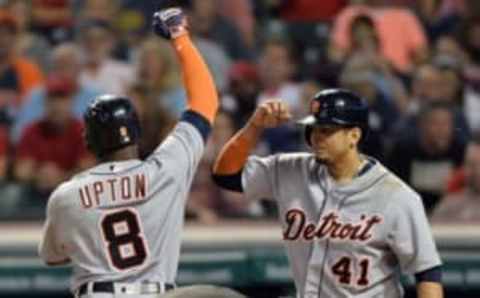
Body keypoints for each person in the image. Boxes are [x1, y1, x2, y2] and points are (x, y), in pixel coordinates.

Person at [38, 8, 220, 298]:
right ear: (136, 132)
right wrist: (180, 35)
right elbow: (205, 102)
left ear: (89, 142)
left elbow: (52, 257)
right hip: (156, 292)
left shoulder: (66, 195)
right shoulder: (166, 170)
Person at [212, 89, 443, 297]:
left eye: (327, 130)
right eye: (313, 129)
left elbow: (427, 272)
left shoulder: (396, 196)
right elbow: (226, 175)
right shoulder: (291, 170)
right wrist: (254, 127)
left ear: (354, 136)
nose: (316, 137)